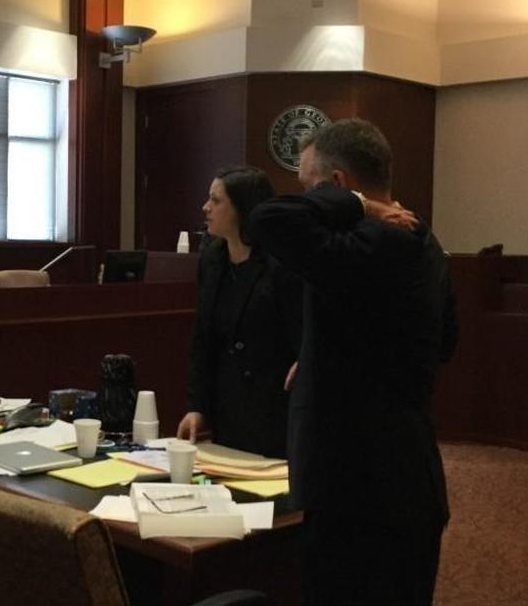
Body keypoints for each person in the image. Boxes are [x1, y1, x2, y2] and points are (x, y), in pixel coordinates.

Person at [250, 119, 457, 606]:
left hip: (357, 489)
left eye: (310, 186)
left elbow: (269, 218)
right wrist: (329, 353)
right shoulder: (426, 243)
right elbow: (444, 341)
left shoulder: (377, 241)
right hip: (409, 475)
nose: (303, 196)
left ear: (337, 184)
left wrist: (360, 205)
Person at [176, 166, 301, 458]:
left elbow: (299, 333)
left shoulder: (281, 263)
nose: (205, 207)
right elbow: (203, 338)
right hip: (228, 404)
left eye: (216, 200)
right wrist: (197, 406)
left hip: (276, 405)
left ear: (243, 208)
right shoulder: (212, 259)